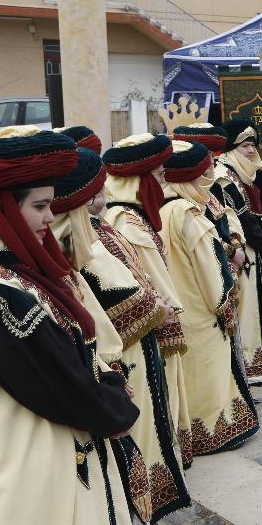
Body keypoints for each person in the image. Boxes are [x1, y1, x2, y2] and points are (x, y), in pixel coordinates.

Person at [0, 126, 141, 525]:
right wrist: (114, 405)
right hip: (27, 472)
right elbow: (63, 382)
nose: (51, 218)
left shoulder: (7, 278)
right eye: (41, 206)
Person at [53, 146, 190, 525]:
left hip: (135, 353)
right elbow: (102, 301)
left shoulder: (102, 227)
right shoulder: (95, 234)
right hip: (120, 361)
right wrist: (155, 310)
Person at [159, 140, 260, 455]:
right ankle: (213, 435)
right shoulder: (189, 214)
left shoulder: (162, 208)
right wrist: (225, 303)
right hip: (201, 311)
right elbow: (210, 269)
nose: (209, 181)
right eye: (204, 175)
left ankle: (193, 434)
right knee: (207, 374)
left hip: (178, 306)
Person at [104, 133, 195, 467]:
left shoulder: (129, 218)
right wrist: (165, 308)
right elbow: (151, 280)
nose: (163, 182)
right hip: (148, 329)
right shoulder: (127, 222)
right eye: (158, 176)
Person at [215, 118, 262, 381]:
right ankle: (248, 368)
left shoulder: (238, 173)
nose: (251, 151)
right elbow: (240, 219)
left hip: (251, 249)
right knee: (245, 311)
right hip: (241, 251)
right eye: (245, 146)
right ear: (232, 148)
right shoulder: (224, 177)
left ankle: (254, 363)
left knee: (251, 310)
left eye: (253, 145)